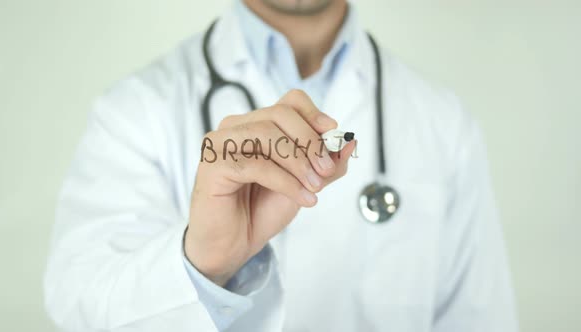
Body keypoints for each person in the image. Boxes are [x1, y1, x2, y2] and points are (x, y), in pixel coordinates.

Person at [44, 0, 518, 331]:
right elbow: (80, 307)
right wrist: (204, 264)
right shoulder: (136, 109)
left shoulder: (443, 122)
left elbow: (480, 320)